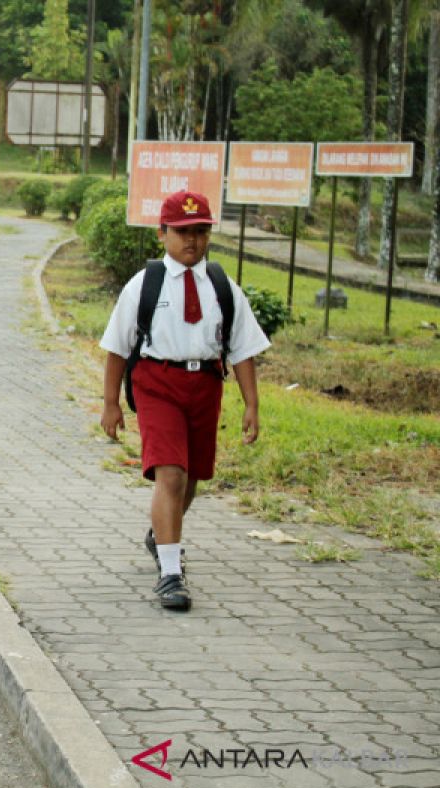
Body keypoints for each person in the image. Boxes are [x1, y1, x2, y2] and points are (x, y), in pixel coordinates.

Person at [98, 190, 270, 611]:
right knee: (170, 475)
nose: (191, 240)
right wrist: (110, 403)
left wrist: (252, 405)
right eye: (181, 232)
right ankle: (171, 574)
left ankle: (162, 535)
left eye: (200, 231)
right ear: (162, 234)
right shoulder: (145, 284)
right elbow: (117, 348)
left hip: (205, 386)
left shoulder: (221, 285)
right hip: (158, 382)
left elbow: (241, 348)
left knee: (191, 478)